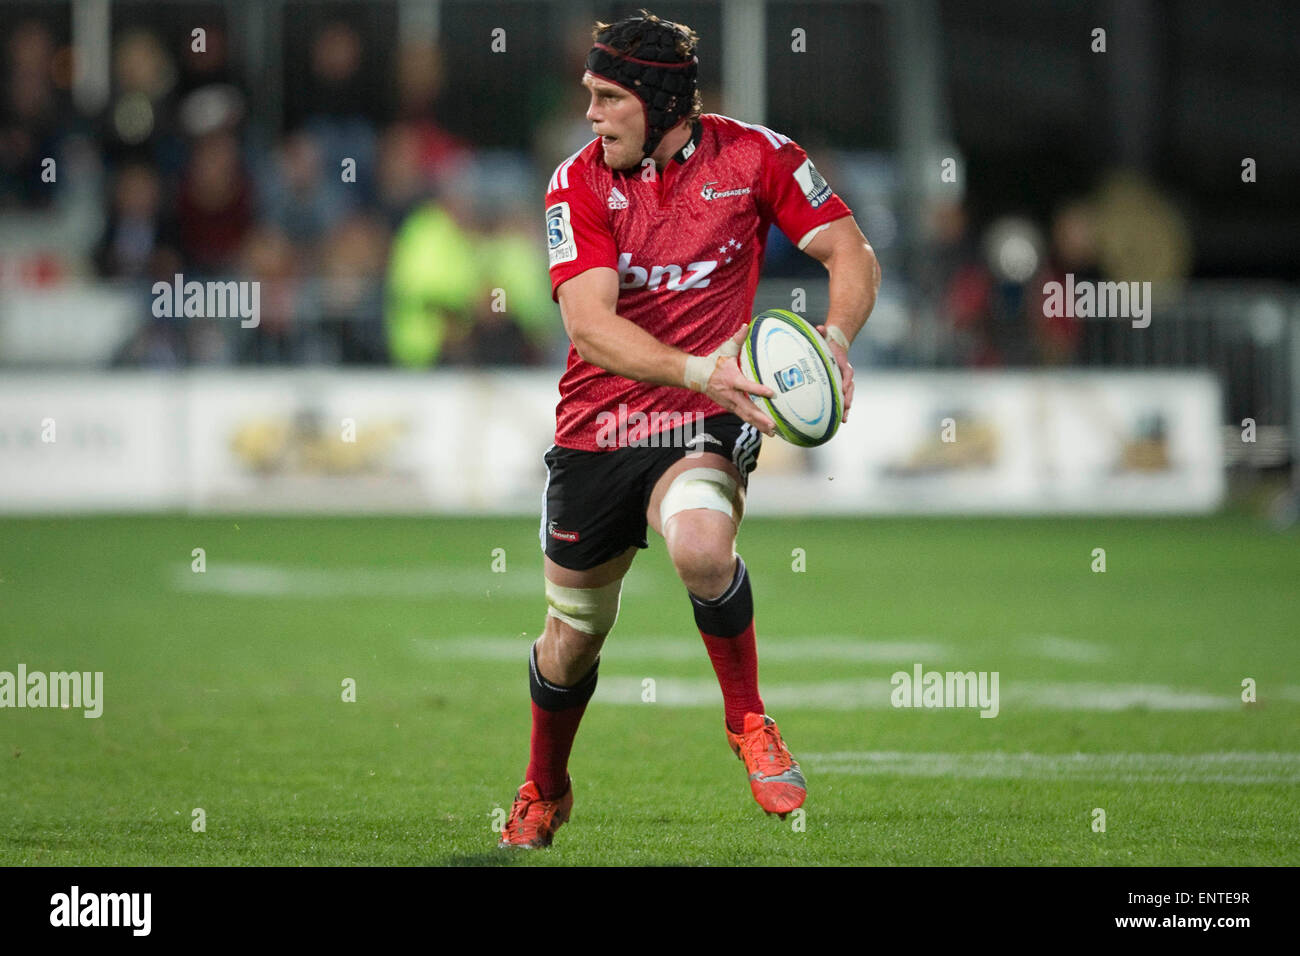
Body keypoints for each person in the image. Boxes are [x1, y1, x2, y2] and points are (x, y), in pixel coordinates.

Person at [499, 10, 881, 848]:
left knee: (702, 548)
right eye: (588, 98)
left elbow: (851, 254)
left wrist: (837, 343)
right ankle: (544, 785)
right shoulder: (577, 184)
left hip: (704, 414)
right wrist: (701, 366)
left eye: (607, 98)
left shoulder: (758, 157)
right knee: (570, 643)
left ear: (659, 99)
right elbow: (591, 327)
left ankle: (748, 724)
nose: (591, 115)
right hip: (598, 426)